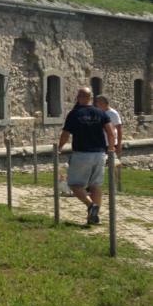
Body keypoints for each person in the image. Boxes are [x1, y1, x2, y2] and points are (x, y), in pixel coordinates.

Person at [59, 86, 115, 225]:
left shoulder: (74, 114)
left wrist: (59, 147)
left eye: (78, 97)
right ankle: (93, 218)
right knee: (95, 185)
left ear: (81, 98)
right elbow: (110, 132)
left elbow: (66, 134)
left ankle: (91, 206)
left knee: (74, 184)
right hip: (99, 154)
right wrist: (111, 149)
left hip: (82, 154)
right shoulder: (101, 113)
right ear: (91, 98)